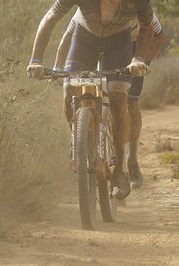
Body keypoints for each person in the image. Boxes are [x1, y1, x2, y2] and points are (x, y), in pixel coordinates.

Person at [27, 0, 162, 199]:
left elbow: (148, 30)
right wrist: (36, 59)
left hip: (118, 41)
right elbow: (50, 19)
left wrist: (139, 58)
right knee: (69, 88)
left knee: (120, 99)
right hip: (85, 38)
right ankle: (78, 141)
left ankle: (120, 170)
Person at [54, 10, 166, 189]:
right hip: (96, 46)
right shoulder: (90, 4)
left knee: (130, 103)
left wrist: (145, 62)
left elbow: (159, 35)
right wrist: (58, 68)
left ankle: (132, 160)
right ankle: (82, 140)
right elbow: (68, 36)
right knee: (76, 92)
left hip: (130, 51)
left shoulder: (136, 4)